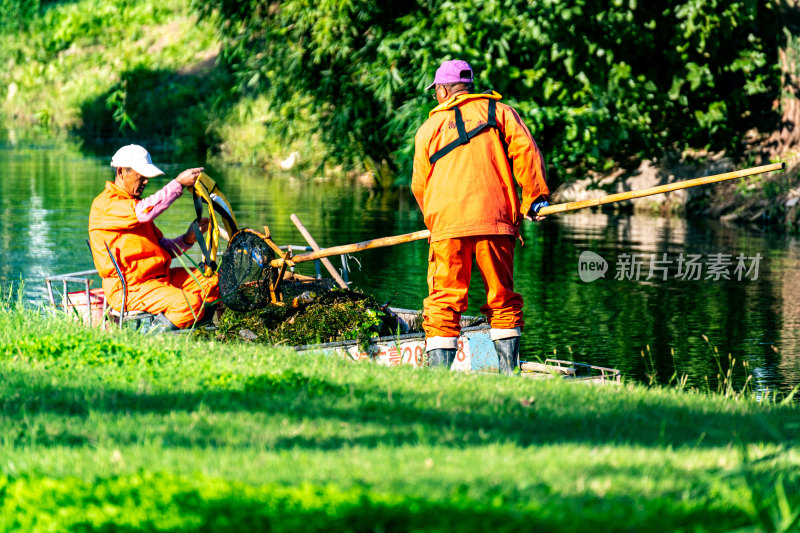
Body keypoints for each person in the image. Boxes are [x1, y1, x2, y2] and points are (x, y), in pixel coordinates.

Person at [411, 60, 550, 374]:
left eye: (436, 91)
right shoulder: (500, 113)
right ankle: (508, 374)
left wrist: (433, 221)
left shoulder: (429, 129)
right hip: (495, 220)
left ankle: (437, 380)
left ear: (443, 90)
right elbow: (525, 151)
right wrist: (534, 198)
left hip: (447, 225)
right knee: (501, 296)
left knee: (444, 300)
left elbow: (419, 184)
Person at [88, 144, 219, 331]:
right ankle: (153, 341)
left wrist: (188, 238)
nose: (145, 181)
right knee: (189, 305)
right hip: (131, 288)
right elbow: (145, 212)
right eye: (140, 176)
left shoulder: (132, 205)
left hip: (160, 279)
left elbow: (161, 248)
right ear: (121, 172)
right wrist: (179, 184)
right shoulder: (106, 205)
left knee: (213, 282)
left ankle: (207, 334)